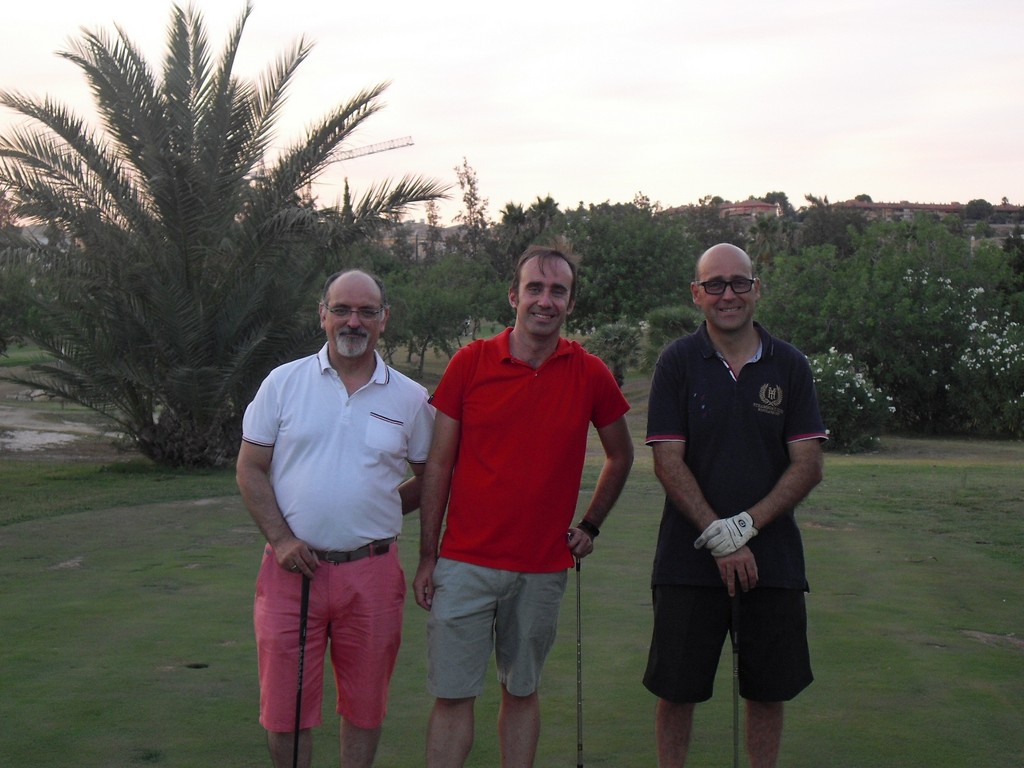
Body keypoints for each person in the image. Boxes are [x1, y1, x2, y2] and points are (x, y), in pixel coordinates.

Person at [413, 243, 635, 768]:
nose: (545, 300)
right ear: (513, 295)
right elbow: (439, 466)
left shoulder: (590, 373)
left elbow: (621, 454)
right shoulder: (470, 363)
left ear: (570, 303)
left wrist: (591, 525)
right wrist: (427, 556)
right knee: (452, 696)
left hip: (541, 569)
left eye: (558, 291)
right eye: (535, 288)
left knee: (521, 691)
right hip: (464, 563)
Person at [236, 269, 435, 768]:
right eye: (342, 309)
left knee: (365, 707)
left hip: (372, 575)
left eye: (367, 311)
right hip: (290, 572)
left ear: (384, 319)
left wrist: (382, 508)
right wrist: (281, 539)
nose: (354, 321)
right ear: (322, 314)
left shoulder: (410, 398)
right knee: (285, 712)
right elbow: (250, 468)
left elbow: (432, 478)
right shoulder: (283, 383)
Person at [643, 243, 827, 768]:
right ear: (696, 293)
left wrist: (744, 526)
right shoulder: (677, 362)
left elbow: (808, 464)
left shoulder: (789, 364)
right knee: (676, 692)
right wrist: (719, 538)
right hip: (687, 561)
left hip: (773, 561)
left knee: (767, 692)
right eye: (715, 284)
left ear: (756, 288)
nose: (728, 294)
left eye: (739, 282)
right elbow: (667, 461)